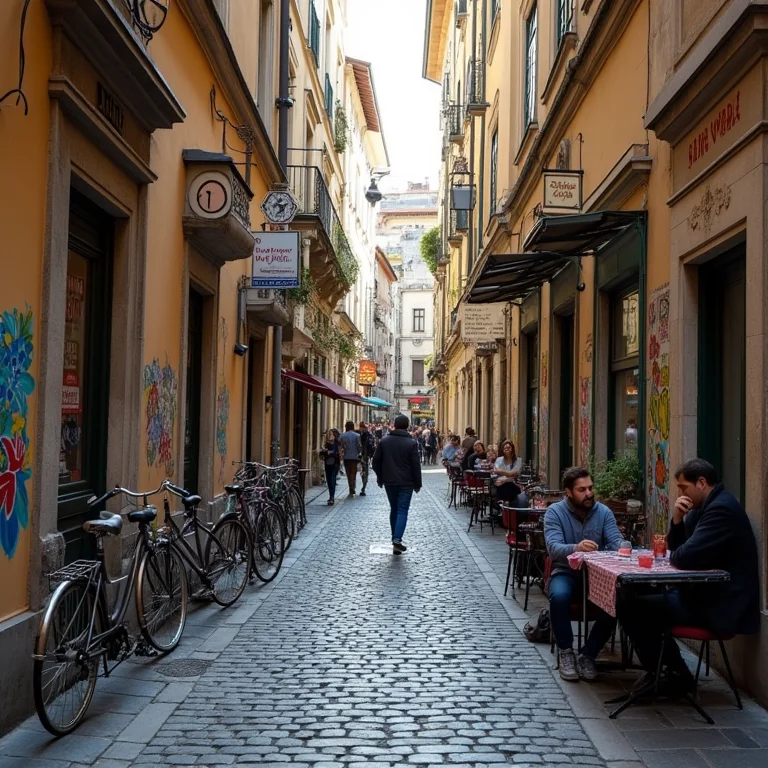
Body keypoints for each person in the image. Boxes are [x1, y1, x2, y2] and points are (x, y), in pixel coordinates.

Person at [618, 459, 759, 692]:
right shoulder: (703, 507)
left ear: (701, 483)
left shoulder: (721, 509)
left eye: (684, 487)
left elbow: (682, 557)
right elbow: (677, 550)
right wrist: (676, 519)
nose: (680, 493)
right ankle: (664, 670)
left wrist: (682, 550)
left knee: (631, 606)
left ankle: (674, 674)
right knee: (631, 594)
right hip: (701, 595)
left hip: (720, 605)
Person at [544, 467, 623, 682]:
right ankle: (566, 652)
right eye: (582, 490)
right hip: (566, 572)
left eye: (590, 488)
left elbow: (615, 540)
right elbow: (553, 548)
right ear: (568, 492)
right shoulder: (555, 513)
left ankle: (588, 654)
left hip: (598, 576)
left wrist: (624, 546)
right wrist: (576, 548)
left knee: (617, 600)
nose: (588, 493)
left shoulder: (603, 512)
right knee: (559, 596)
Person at [372, 414, 422, 554]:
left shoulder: (385, 441)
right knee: (402, 510)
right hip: (406, 482)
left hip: (389, 481)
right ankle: (397, 539)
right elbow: (415, 465)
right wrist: (417, 483)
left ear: (395, 425)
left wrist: (381, 476)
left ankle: (395, 540)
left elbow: (375, 461)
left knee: (394, 508)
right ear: (407, 426)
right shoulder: (411, 443)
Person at [493, 440, 526, 506]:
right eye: (505, 448)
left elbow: (514, 473)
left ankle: (506, 506)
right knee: (503, 486)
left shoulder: (518, 460)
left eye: (508, 447)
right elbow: (496, 470)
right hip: (501, 484)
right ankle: (506, 506)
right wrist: (509, 475)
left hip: (513, 484)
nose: (506, 449)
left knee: (508, 485)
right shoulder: (499, 459)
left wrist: (504, 478)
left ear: (512, 449)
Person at [319, 428, 343, 505]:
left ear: (334, 435)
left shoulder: (337, 443)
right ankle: (330, 496)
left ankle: (332, 497)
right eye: (328, 434)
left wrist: (330, 452)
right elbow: (322, 453)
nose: (329, 435)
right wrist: (324, 451)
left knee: (332, 479)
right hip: (327, 463)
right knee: (329, 480)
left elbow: (339, 452)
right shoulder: (326, 443)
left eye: (331, 434)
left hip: (335, 464)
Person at [340, 420, 361, 497]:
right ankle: (353, 486)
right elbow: (359, 447)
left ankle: (350, 487)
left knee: (348, 473)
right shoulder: (357, 436)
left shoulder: (342, 436)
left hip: (346, 457)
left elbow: (341, 447)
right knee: (353, 473)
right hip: (354, 457)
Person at [357, 421, 376, 496]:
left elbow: (363, 446)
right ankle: (363, 487)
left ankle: (363, 487)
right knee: (365, 471)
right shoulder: (369, 434)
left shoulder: (362, 435)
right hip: (367, 456)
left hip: (363, 456)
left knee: (364, 472)